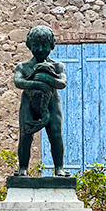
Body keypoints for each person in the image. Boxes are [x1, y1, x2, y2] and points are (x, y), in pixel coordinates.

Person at [14, 25, 69, 176]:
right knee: (25, 134)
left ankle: (59, 168)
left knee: (56, 133)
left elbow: (62, 83)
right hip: (29, 103)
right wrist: (37, 83)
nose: (40, 49)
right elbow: (18, 82)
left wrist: (45, 76)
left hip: (51, 103)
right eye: (36, 45)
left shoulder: (58, 66)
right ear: (29, 46)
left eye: (44, 45)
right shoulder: (23, 66)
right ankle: (23, 168)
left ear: (51, 46)